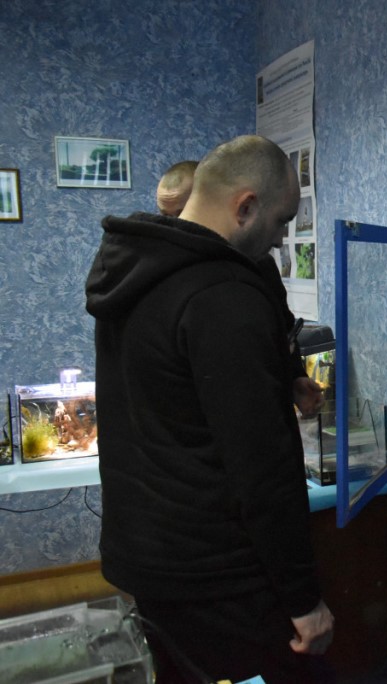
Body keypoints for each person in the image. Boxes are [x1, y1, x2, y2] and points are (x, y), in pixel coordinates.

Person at [86, 135, 334, 683]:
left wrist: (286, 372)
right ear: (245, 207)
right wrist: (303, 598)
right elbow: (263, 466)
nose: (281, 238)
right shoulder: (222, 295)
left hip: (147, 552)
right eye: (281, 221)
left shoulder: (136, 268)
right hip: (216, 570)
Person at [156, 159, 324, 418]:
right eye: (166, 217)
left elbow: (284, 329)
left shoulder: (258, 263)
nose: (176, 224)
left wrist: (294, 378)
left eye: (182, 212)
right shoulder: (163, 275)